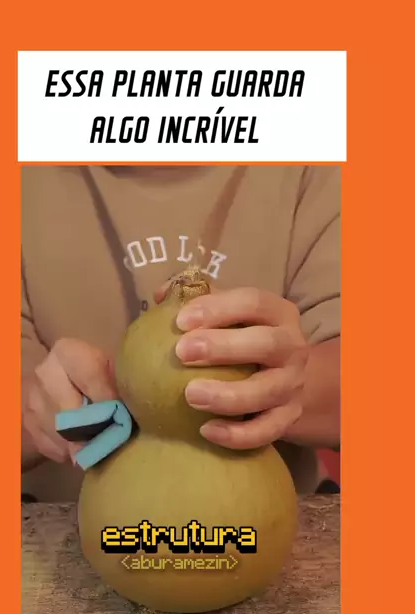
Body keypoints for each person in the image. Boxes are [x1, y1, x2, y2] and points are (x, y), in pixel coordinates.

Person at [22, 165, 340, 501]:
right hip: (56, 512)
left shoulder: (312, 166)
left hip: (272, 508)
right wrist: (38, 411)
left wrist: (279, 385)